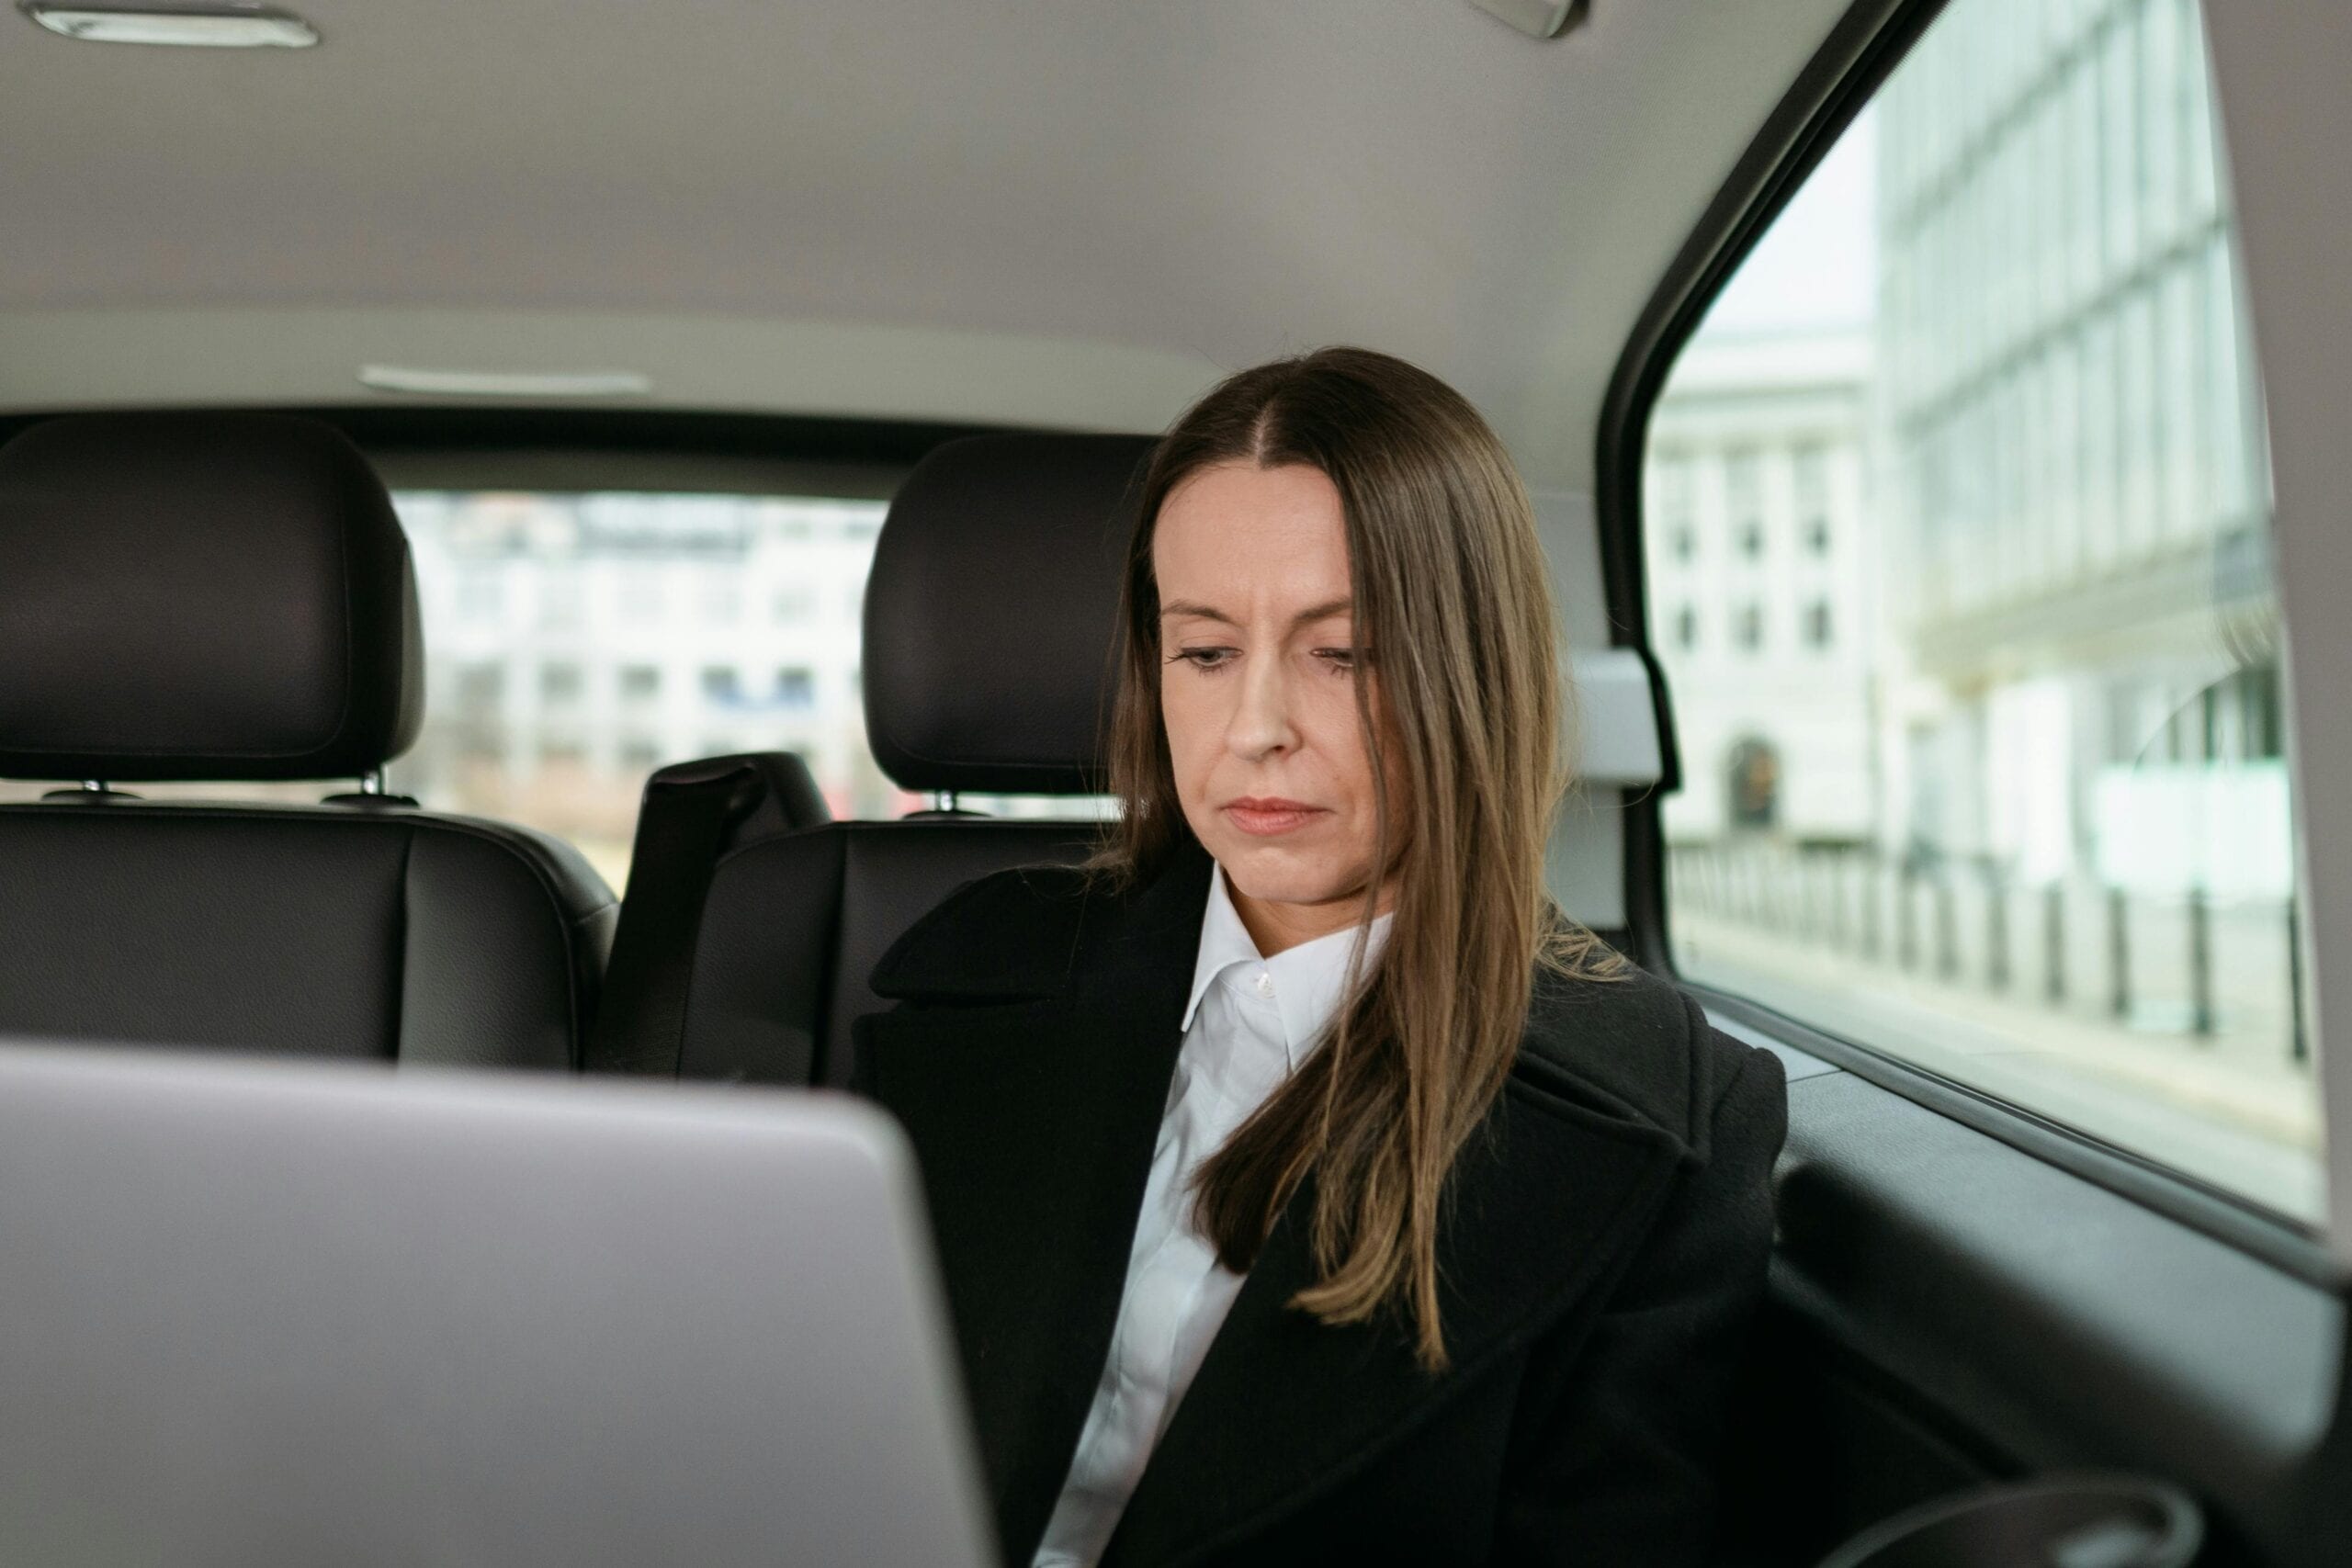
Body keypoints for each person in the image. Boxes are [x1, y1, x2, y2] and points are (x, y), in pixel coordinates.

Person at [852, 346, 1787, 1568]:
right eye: (1204, 653)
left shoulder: (1663, 1122)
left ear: (1472, 669)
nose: (1255, 731)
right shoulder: (954, 976)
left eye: (1339, 655)